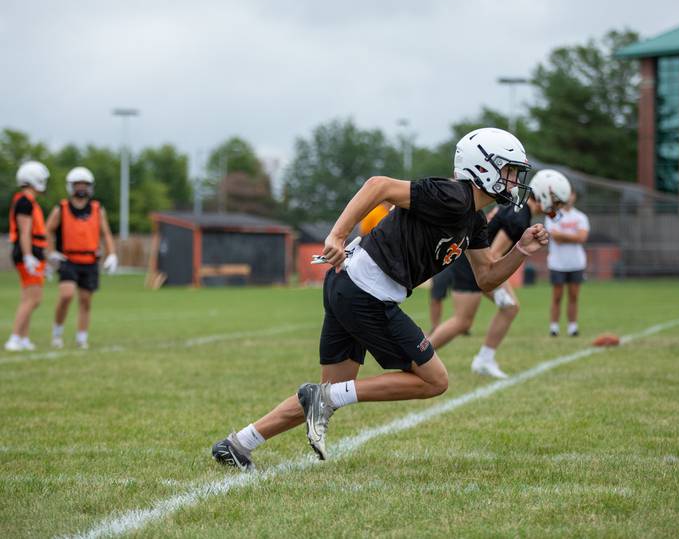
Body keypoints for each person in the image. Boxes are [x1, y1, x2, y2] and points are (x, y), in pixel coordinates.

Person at [211, 127, 550, 469]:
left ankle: (239, 444)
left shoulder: (473, 219)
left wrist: (521, 250)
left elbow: (486, 276)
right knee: (434, 381)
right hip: (366, 292)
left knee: (334, 389)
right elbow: (378, 185)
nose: (513, 181)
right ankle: (319, 399)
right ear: (483, 168)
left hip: (351, 286)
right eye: (508, 171)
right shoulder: (453, 195)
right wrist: (337, 235)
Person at [427, 169, 572, 378]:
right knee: (462, 321)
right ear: (545, 194)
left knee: (505, 309)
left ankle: (484, 359)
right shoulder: (519, 218)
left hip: (474, 260)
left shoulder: (519, 210)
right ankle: (420, 358)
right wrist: (497, 288)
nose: (557, 207)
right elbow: (494, 255)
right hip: (473, 264)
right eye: (556, 201)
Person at [45, 167, 118, 349]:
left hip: (90, 261)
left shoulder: (97, 209)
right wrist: (51, 252)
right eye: (77, 184)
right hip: (68, 260)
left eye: (84, 184)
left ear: (90, 187)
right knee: (66, 295)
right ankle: (57, 334)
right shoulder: (61, 208)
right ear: (71, 187)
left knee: (85, 301)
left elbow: (106, 233)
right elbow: (47, 230)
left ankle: (81, 338)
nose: (81, 188)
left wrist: (112, 254)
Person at [5, 161, 50, 352]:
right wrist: (28, 256)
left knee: (29, 298)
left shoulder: (28, 202)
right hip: (27, 254)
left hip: (33, 253)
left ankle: (23, 338)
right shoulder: (24, 202)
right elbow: (25, 232)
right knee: (33, 299)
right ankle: (14, 338)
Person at [545, 190, 590, 337]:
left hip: (576, 263)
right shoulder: (553, 215)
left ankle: (572, 327)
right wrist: (573, 235)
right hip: (557, 263)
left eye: (572, 194)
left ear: (574, 196)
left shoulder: (581, 216)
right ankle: (554, 327)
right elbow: (555, 236)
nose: (569, 197)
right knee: (557, 296)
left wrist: (565, 236)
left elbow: (582, 237)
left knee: (573, 296)